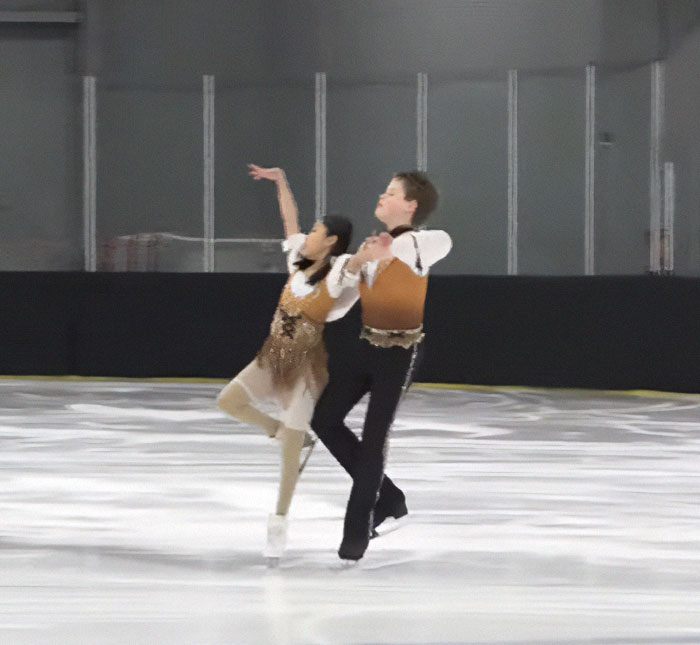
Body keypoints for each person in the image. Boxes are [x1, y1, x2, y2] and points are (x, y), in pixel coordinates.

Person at [216, 164, 357, 561]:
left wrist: (375, 252)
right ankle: (277, 428)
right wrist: (281, 182)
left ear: (331, 240)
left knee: (291, 452)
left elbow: (358, 264)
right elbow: (289, 219)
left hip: (306, 367)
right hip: (272, 355)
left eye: (316, 231)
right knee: (228, 400)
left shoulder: (337, 275)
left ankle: (278, 520)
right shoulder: (297, 257)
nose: (307, 235)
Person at [311, 171, 452, 561]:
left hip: (401, 354)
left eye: (391, 192)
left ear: (411, 205)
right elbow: (340, 308)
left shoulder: (419, 246)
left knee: (375, 440)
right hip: (365, 346)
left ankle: (355, 537)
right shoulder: (373, 250)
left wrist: (391, 249)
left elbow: (443, 241)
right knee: (323, 418)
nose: (382, 195)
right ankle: (388, 497)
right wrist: (355, 263)